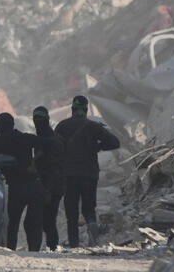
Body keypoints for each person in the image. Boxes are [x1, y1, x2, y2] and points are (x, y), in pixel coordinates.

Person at [54, 95, 120, 248]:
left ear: (72, 109)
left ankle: (74, 243)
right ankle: (92, 230)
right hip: (89, 174)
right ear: (85, 109)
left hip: (70, 174)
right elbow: (114, 142)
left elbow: (55, 148)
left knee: (71, 211)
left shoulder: (62, 126)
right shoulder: (94, 127)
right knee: (89, 208)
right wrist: (97, 146)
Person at [0, 112, 42, 251]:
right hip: (30, 185)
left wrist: (34, 163)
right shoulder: (24, 138)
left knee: (14, 222)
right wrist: (34, 164)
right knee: (31, 222)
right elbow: (45, 144)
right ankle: (33, 250)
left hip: (17, 186)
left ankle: (12, 249)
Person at [31, 106, 65, 251]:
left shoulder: (52, 140)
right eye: (35, 119)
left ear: (46, 120)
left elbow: (55, 168)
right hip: (45, 185)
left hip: (52, 185)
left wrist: (48, 190)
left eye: (40, 119)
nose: (37, 122)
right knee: (43, 219)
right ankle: (48, 247)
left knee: (48, 219)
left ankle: (52, 247)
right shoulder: (43, 138)